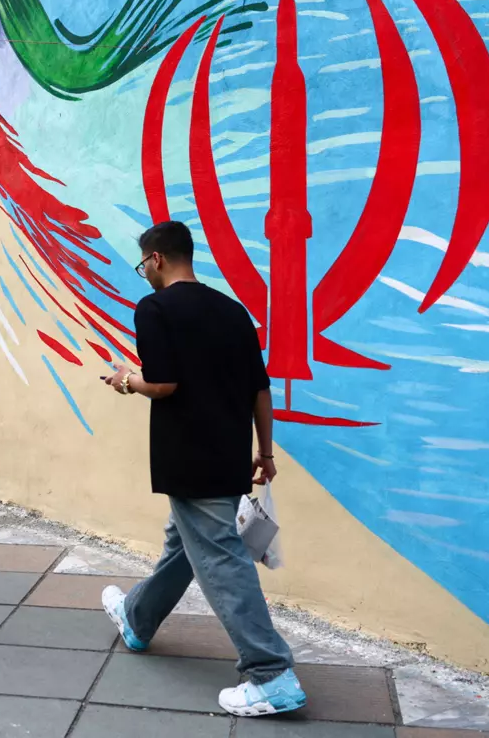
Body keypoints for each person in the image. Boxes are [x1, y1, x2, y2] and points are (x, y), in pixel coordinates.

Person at [98, 221, 305, 718]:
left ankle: (270, 671)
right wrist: (266, 453)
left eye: (143, 263)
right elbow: (261, 388)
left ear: (157, 260)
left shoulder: (153, 308)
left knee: (219, 559)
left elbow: (164, 384)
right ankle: (137, 618)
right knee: (183, 545)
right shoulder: (233, 311)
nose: (144, 272)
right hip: (228, 454)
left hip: (187, 458)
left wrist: (128, 380)